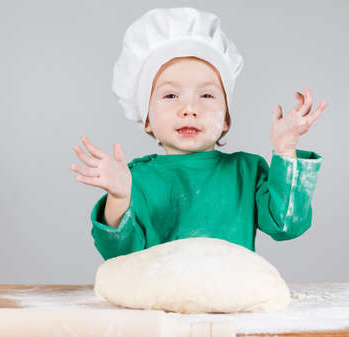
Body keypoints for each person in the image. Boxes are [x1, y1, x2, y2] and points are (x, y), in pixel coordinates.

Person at [70, 7, 327, 260]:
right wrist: (119, 196)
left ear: (226, 119)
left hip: (230, 300)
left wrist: (285, 148)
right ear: (147, 118)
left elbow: (287, 225)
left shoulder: (246, 172)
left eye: (206, 95)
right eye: (171, 95)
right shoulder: (136, 178)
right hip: (158, 300)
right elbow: (118, 254)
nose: (189, 109)